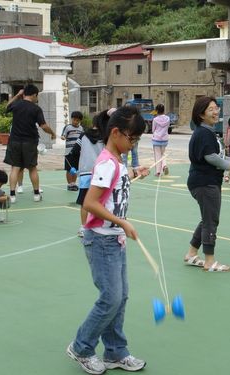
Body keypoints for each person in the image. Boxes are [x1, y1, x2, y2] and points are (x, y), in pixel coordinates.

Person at [66, 106, 147, 374]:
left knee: (120, 297)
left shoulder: (117, 161)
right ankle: (81, 347)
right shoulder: (105, 162)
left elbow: (114, 189)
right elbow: (90, 202)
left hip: (115, 239)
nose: (133, 144)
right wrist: (121, 221)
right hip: (101, 240)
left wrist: (136, 173)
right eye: (132, 139)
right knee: (110, 298)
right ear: (115, 133)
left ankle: (115, 351)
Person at [185, 96, 230, 272]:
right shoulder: (204, 133)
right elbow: (210, 157)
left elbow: (216, 156)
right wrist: (229, 165)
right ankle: (209, 261)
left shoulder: (205, 132)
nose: (216, 112)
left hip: (204, 182)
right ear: (201, 114)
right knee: (210, 222)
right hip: (205, 183)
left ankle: (191, 254)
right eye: (211, 109)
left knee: (207, 219)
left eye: (216, 108)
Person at [3, 84, 56, 203]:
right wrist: (52, 133)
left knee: (15, 168)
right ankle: (36, 194)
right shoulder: (36, 108)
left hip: (14, 141)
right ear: (34, 95)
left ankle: (12, 195)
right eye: (37, 96)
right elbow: (43, 125)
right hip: (30, 142)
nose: (37, 99)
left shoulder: (16, 105)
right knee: (32, 168)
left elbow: (7, 107)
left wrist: (17, 95)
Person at [67, 110, 108, 237]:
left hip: (85, 173)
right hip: (102, 173)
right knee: (102, 201)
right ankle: (100, 226)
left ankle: (83, 227)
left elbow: (73, 153)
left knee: (85, 201)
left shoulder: (83, 136)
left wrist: (72, 168)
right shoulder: (106, 137)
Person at [61, 111, 84, 191]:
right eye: (74, 120)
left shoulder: (81, 129)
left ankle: (74, 183)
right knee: (69, 168)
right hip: (69, 152)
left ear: (80, 121)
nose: (75, 121)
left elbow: (82, 139)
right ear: (71, 119)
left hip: (77, 152)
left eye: (77, 120)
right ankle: (69, 184)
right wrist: (63, 137)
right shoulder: (68, 127)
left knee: (76, 169)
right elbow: (63, 135)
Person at [151, 103, 170, 176]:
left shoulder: (155, 119)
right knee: (163, 154)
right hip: (164, 138)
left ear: (157, 111)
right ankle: (164, 165)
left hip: (156, 139)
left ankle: (158, 172)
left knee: (157, 155)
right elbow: (167, 127)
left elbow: (153, 130)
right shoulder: (168, 118)